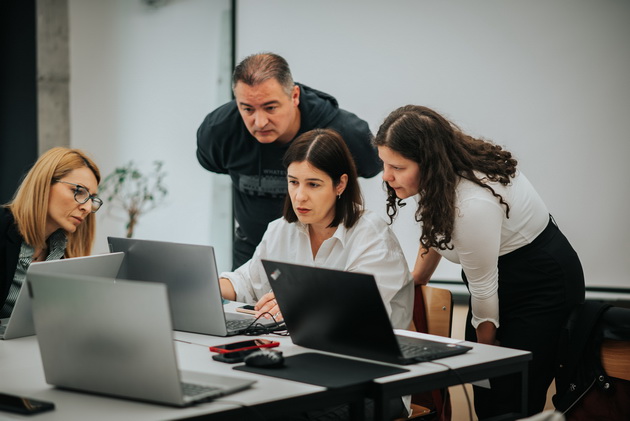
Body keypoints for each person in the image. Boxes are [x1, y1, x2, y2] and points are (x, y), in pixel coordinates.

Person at [374, 105, 585, 419]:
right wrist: (418, 278)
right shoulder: (442, 176)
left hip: (541, 283)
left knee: (509, 398)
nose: (387, 176)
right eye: (384, 164)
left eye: (398, 167)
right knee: (488, 393)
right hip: (498, 276)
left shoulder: (472, 203)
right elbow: (436, 226)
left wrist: (487, 350)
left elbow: (484, 289)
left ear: (428, 163)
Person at [220, 128, 413, 420]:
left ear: (340, 184)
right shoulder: (281, 230)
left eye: (313, 184)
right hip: (301, 370)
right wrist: (205, 285)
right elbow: (247, 281)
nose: (299, 196)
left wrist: (295, 302)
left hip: (373, 380)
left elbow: (358, 310)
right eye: (293, 182)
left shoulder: (370, 234)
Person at [197, 52, 381, 270]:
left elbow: (373, 166)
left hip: (326, 257)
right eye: (247, 109)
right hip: (252, 253)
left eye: (270, 107)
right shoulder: (219, 131)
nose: (260, 122)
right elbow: (213, 163)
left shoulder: (346, 132)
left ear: (294, 96)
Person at [1, 147, 102, 317]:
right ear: (45, 183)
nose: (87, 207)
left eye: (91, 198)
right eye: (78, 191)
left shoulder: (64, 250)